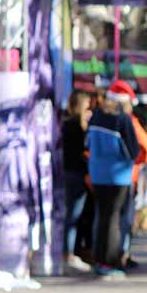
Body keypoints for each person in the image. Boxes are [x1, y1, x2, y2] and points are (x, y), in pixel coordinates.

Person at [87, 81, 141, 279]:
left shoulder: (96, 117)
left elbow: (88, 144)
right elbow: (133, 151)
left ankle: (100, 259)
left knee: (102, 218)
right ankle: (109, 262)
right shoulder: (123, 120)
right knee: (113, 220)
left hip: (97, 174)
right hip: (118, 176)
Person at [60, 91, 93, 274]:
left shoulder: (68, 123)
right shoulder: (75, 126)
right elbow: (80, 152)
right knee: (73, 214)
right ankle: (69, 253)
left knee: (73, 214)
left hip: (72, 172)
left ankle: (70, 251)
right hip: (76, 173)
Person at [119, 104, 147, 271]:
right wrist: (137, 160)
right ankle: (122, 254)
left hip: (99, 178)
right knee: (124, 218)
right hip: (126, 176)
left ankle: (112, 255)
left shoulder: (100, 119)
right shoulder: (131, 122)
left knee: (107, 219)